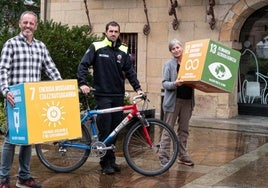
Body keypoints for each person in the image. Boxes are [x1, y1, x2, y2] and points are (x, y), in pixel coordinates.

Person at [0, 11, 62, 188]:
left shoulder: (40, 47)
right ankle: (3, 178)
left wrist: (61, 87)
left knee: (29, 139)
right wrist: (5, 91)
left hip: (33, 101)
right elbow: (3, 69)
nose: (28, 26)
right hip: (15, 99)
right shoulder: (10, 44)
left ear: (36, 26)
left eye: (31, 23)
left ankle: (24, 177)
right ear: (20, 24)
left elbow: (50, 68)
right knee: (11, 139)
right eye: (25, 22)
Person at [77, 21, 143, 175]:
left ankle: (111, 161)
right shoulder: (97, 47)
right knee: (105, 129)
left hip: (118, 95)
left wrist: (138, 89)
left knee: (115, 130)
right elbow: (83, 65)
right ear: (106, 32)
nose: (113, 33)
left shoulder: (123, 50)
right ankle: (104, 163)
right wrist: (83, 83)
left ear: (119, 33)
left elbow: (130, 71)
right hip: (102, 95)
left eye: (116, 31)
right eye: (111, 31)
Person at [158, 39, 195, 167]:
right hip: (173, 101)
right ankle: (163, 155)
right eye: (173, 49)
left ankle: (182, 156)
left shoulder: (190, 62)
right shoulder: (168, 64)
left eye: (178, 47)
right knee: (168, 129)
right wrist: (174, 84)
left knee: (184, 130)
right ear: (171, 51)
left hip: (187, 100)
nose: (176, 50)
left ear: (182, 47)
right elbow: (164, 83)